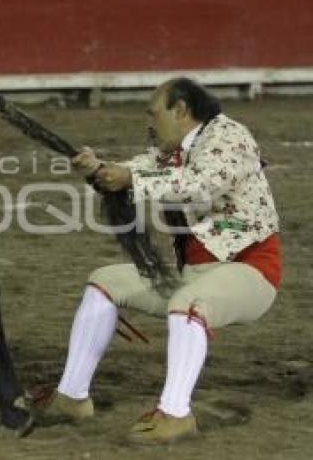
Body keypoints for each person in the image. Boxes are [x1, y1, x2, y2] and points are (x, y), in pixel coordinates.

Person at [38, 78, 281, 444]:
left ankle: (175, 414)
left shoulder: (229, 135)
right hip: (196, 274)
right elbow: (137, 170)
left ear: (180, 111)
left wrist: (129, 177)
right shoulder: (171, 149)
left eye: (154, 114)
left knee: (188, 303)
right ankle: (71, 397)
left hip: (250, 272)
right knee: (105, 281)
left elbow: (197, 184)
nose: (149, 123)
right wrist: (99, 169)